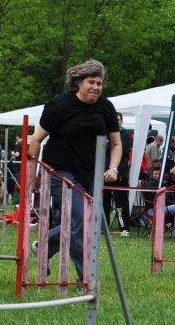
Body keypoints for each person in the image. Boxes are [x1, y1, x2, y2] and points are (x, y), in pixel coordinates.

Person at [28, 59, 122, 283]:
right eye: (91, 82)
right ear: (78, 82)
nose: (96, 87)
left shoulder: (106, 108)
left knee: (83, 224)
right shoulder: (59, 106)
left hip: (91, 174)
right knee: (80, 221)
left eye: (99, 83)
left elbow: (116, 144)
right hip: (60, 173)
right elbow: (36, 140)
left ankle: (44, 246)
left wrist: (114, 167)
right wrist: (33, 177)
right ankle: (85, 279)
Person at [105, 113, 132, 237]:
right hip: (104, 174)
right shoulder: (104, 134)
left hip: (120, 173)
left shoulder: (126, 136)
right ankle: (103, 227)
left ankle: (124, 228)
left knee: (121, 202)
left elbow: (122, 150)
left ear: (122, 121)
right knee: (104, 202)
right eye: (113, 120)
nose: (115, 122)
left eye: (118, 120)